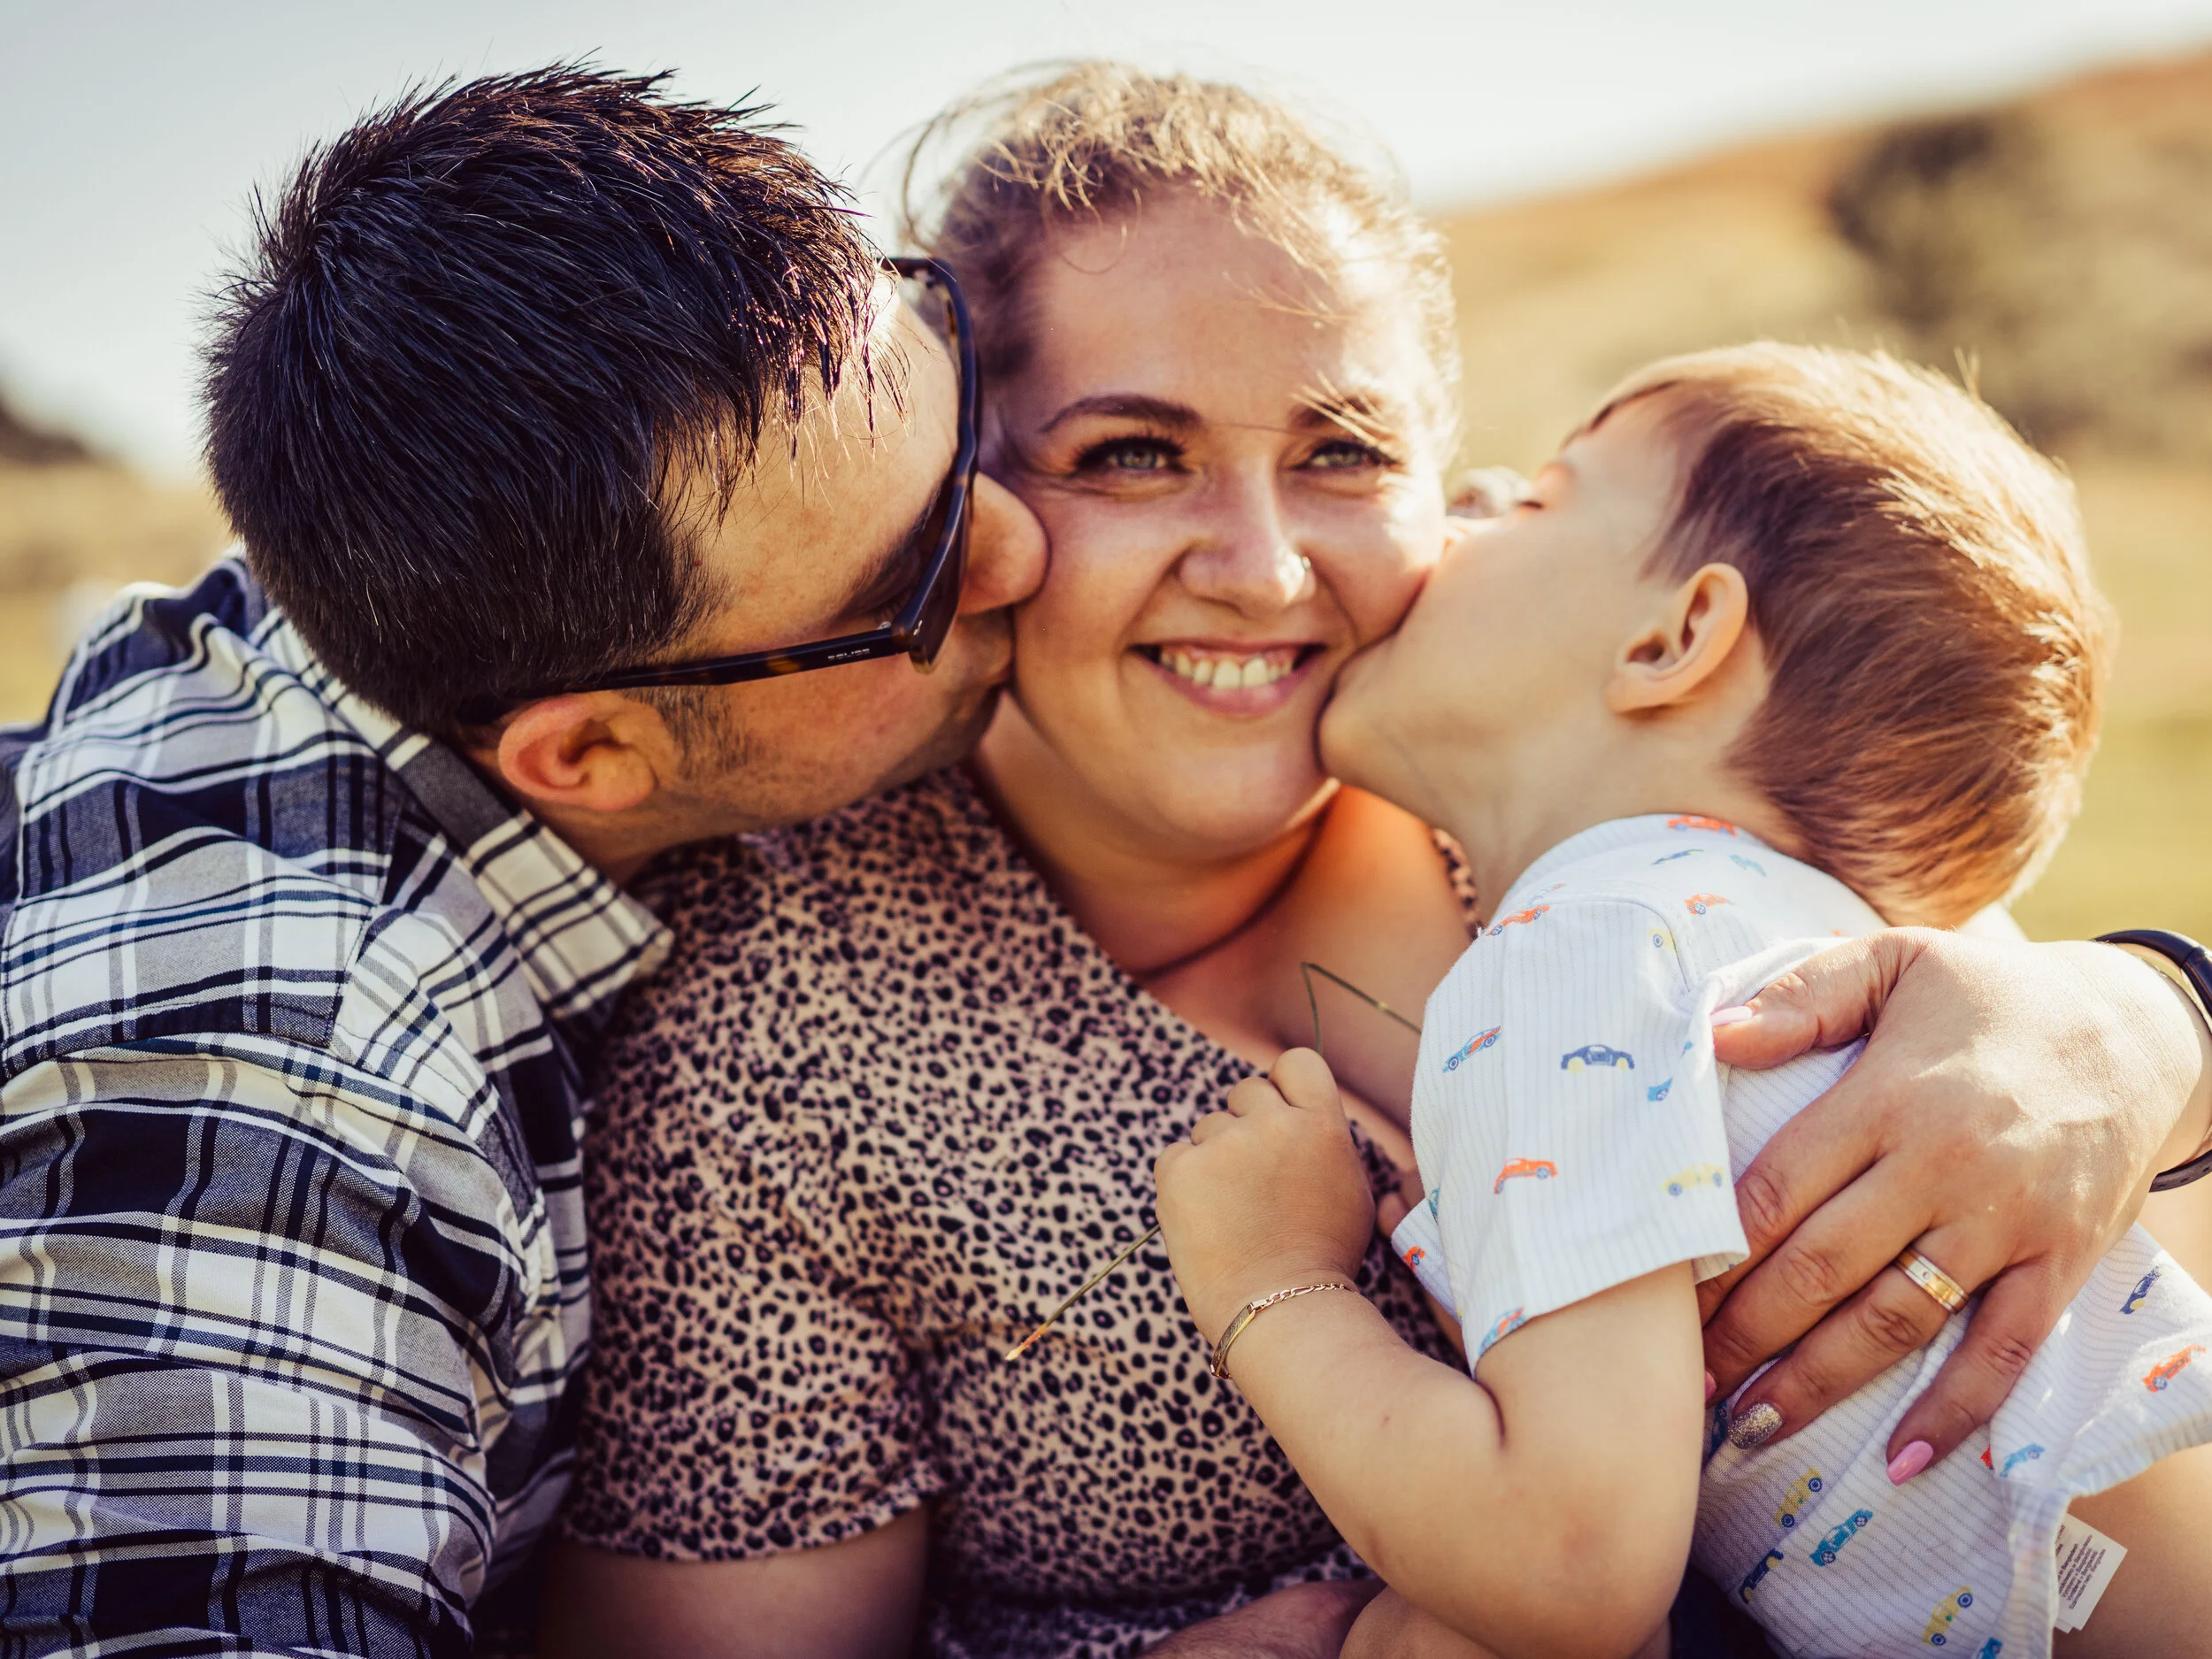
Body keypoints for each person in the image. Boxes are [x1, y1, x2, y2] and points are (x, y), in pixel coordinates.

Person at [549, 66, 2212, 1659]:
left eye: (1344, 454)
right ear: (968, 500)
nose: (1264, 567)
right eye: (1133, 453)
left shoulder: (1596, 800)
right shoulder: (778, 1037)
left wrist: (2151, 1015)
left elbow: (2074, 1204)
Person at [0, 68, 1048, 1653]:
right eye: (915, 587)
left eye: (951, 387)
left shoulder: (428, 571)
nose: (1026, 544)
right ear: (589, 757)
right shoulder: (293, 1099)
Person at [1150, 343, 2212, 1658]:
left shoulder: (1580, 948)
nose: (1463, 502)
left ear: (1674, 638)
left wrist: (1274, 1282)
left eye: (1533, 499)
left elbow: (1572, 1565)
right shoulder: (1813, 937)